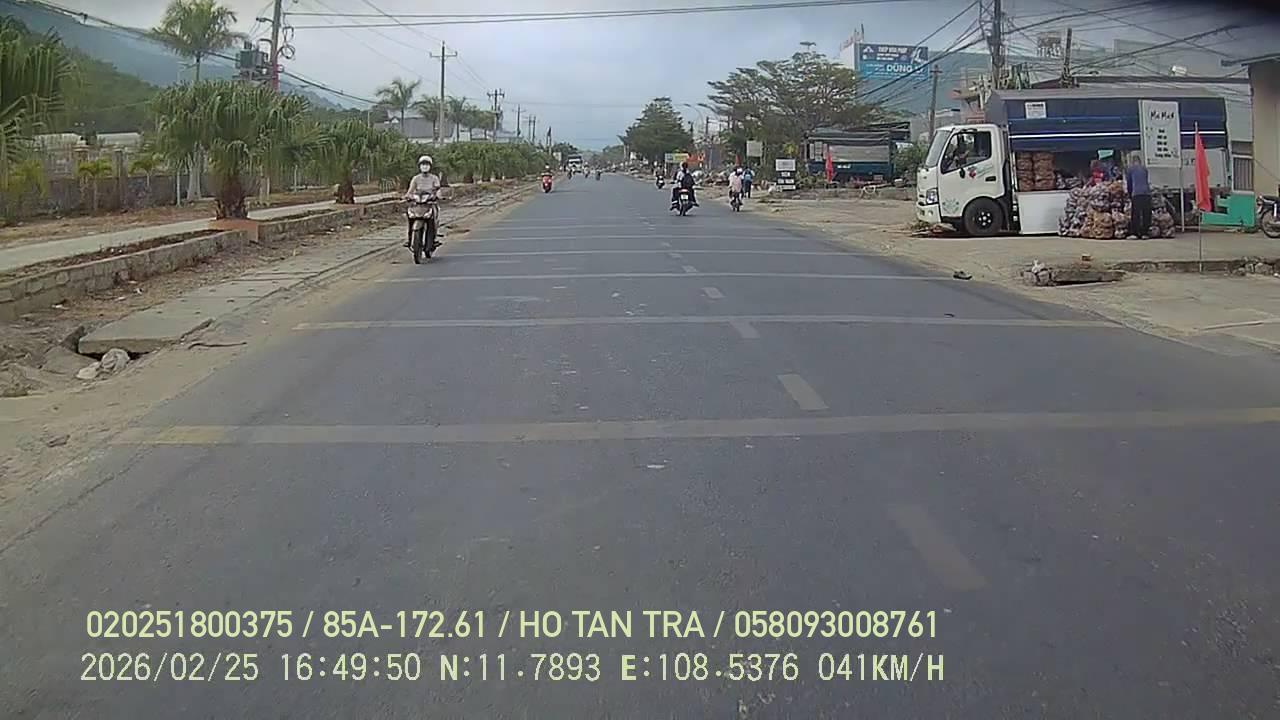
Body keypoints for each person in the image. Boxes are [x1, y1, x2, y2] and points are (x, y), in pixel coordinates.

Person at [403, 154, 442, 247]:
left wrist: (437, 196)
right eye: (423, 164)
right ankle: (409, 239)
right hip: (417, 204)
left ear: (430, 166)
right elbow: (410, 190)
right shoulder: (416, 178)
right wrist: (407, 196)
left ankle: (433, 239)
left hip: (430, 203)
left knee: (434, 219)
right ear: (419, 166)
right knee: (410, 217)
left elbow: (438, 190)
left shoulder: (434, 178)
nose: (425, 166)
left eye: (427, 164)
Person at [1125, 151, 1152, 239]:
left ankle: (1135, 233)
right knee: (1146, 213)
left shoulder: (1130, 169)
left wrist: (1130, 194)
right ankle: (1145, 233)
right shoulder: (1144, 169)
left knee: (1136, 214)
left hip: (1136, 193)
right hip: (1147, 193)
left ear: (1132, 161)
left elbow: (1129, 183)